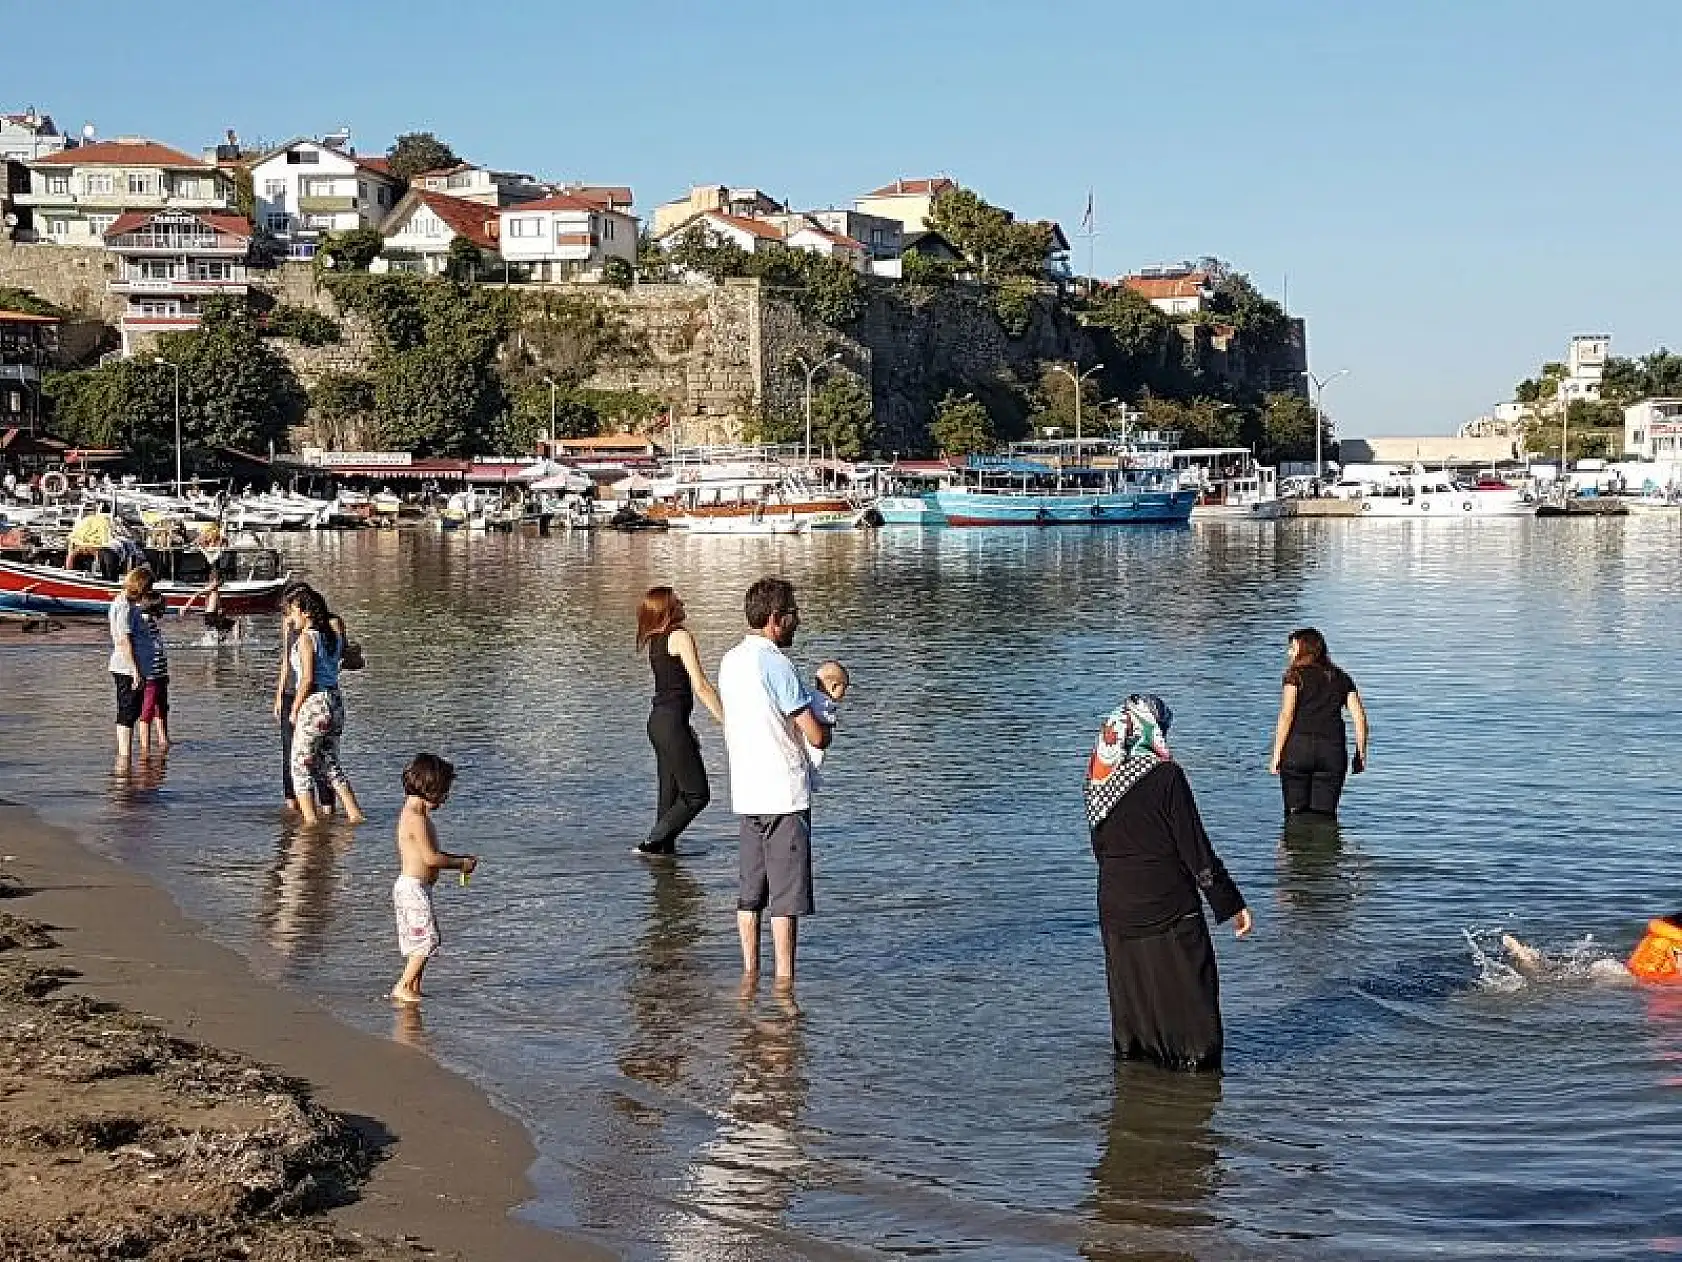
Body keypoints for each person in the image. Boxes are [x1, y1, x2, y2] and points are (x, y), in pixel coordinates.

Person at [1088, 693, 1253, 1072]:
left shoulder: (1098, 781)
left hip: (1116, 906)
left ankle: (1136, 1083)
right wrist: (1230, 903)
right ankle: (1199, 1085)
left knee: (1135, 1002)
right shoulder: (1166, 776)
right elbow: (1195, 849)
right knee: (1192, 996)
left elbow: (1101, 848)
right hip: (1168, 905)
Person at [718, 578, 831, 984]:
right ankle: (785, 984)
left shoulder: (730, 661)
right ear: (775, 619)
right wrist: (828, 706)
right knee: (786, 898)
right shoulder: (777, 665)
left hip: (746, 792)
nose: (798, 621)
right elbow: (816, 735)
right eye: (793, 614)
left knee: (750, 894)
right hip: (783, 793)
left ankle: (749, 975)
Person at [635, 586, 724, 857]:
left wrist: (685, 727)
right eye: (677, 601)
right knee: (697, 795)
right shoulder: (679, 636)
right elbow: (701, 685)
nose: (683, 603)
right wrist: (728, 722)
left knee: (669, 800)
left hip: (660, 723)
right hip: (671, 724)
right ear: (667, 610)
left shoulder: (656, 640)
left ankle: (662, 859)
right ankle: (650, 845)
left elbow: (671, 690)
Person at [391, 753, 477, 1005]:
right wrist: (461, 862)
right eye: (443, 793)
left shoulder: (414, 814)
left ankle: (414, 987)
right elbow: (431, 858)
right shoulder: (416, 818)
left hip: (414, 888)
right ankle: (403, 985)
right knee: (427, 940)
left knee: (418, 941)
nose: (445, 799)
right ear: (429, 789)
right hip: (413, 889)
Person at [282, 586, 365, 826]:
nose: (290, 618)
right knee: (329, 762)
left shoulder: (307, 638)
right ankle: (355, 814)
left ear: (306, 612)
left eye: (293, 612)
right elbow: (350, 660)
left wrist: (295, 708)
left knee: (300, 765)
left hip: (314, 703)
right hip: (335, 701)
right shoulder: (332, 636)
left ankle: (310, 822)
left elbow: (307, 679)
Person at [1268, 627, 1369, 817]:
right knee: (1325, 816)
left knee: (1295, 814)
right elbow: (1359, 717)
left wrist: (1276, 755)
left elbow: (1286, 715)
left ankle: (1295, 836)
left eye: (1292, 648)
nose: (1289, 653)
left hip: (1298, 750)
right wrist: (1360, 753)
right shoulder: (1341, 677)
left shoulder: (1295, 676)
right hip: (1332, 753)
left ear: (1303, 649)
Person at [273, 582, 341, 815]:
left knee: (319, 756)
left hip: (313, 696)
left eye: (290, 608)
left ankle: (325, 809)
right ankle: (293, 809)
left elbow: (336, 658)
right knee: (290, 754)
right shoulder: (289, 625)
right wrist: (279, 695)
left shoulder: (330, 625)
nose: (288, 615)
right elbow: (286, 661)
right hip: (292, 692)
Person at [1503, 915, 1682, 985]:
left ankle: (1534, 962)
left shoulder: (1662, 937)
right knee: (1566, 982)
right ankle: (1534, 965)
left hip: (1620, 971)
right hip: (1629, 980)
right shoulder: (1669, 941)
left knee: (1570, 975)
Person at [108, 567, 159, 763]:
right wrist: (135, 671)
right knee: (127, 711)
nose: (149, 592)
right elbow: (124, 641)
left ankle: (126, 756)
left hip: (135, 668)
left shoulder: (130, 605)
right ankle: (124, 756)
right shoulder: (123, 607)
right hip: (126, 668)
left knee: (133, 710)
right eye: (148, 588)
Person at [136, 591, 170, 754]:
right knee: (147, 710)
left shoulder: (152, 622)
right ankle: (145, 747)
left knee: (161, 708)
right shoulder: (142, 622)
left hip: (160, 674)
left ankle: (163, 739)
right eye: (163, 607)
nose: (165, 609)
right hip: (150, 675)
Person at [804, 660, 849, 778]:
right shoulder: (824, 702)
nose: (844, 694)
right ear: (834, 686)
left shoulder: (808, 697)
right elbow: (826, 719)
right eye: (844, 688)